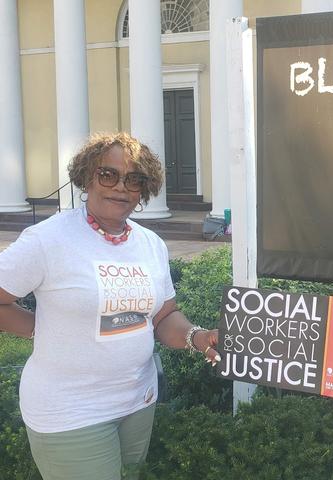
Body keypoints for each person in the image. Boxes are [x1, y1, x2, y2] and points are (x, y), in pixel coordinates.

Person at [0, 132, 221, 480]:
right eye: (108, 174)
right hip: (70, 411)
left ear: (143, 190)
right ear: (87, 177)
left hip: (137, 403)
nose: (120, 187)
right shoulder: (48, 240)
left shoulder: (150, 244)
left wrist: (198, 336)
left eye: (134, 180)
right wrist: (37, 326)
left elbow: (164, 315)